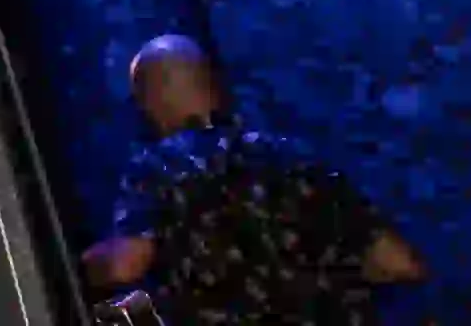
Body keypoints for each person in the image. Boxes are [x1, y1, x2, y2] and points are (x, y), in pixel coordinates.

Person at [83, 34, 425, 324]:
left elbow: (124, 264)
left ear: (148, 102)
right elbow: (399, 262)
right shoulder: (296, 158)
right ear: (213, 87)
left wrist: (76, 267)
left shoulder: (159, 168)